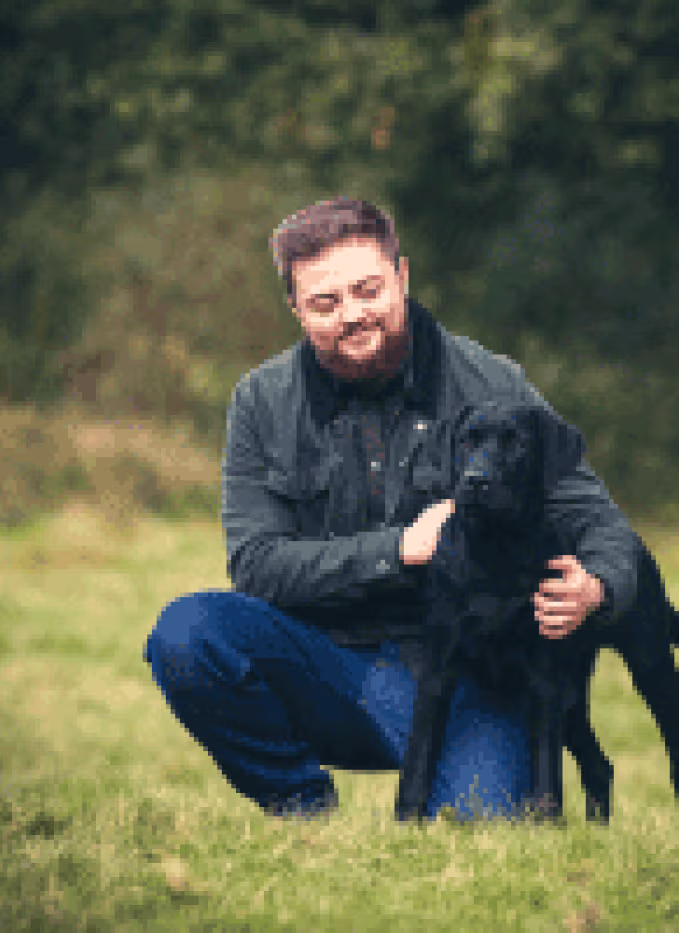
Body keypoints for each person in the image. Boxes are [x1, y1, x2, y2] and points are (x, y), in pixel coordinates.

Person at [144, 196, 639, 821]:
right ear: (296, 309)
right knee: (189, 635)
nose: (352, 314)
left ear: (401, 277)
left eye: (368, 289)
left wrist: (598, 585)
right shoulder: (261, 401)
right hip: (317, 657)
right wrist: (398, 549)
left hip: (463, 677)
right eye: (325, 303)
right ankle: (299, 804)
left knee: (485, 827)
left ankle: (462, 777)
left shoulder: (491, 382)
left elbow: (598, 517)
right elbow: (257, 566)